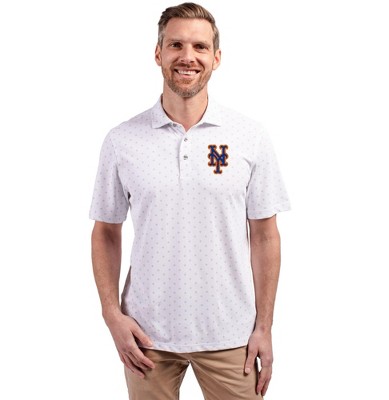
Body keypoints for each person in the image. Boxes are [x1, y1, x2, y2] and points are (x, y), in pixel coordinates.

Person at [90, 2, 290, 399]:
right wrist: (112, 315)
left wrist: (264, 326)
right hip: (146, 336)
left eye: (200, 47)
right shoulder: (122, 140)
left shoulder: (249, 136)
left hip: (231, 333)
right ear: (158, 53)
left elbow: (265, 236)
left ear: (216, 57)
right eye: (176, 44)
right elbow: (106, 232)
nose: (188, 56)